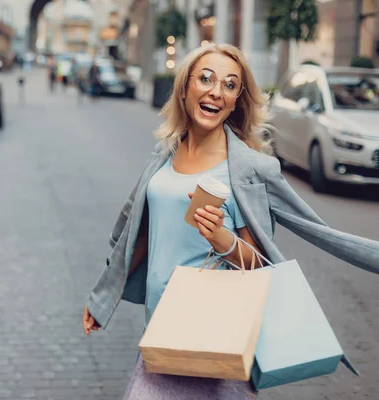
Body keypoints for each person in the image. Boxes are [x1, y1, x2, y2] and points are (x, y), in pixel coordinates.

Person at [82, 43, 379, 344]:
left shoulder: (247, 169)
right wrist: (103, 299)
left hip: (214, 338)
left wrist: (220, 238)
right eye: (206, 78)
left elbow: (259, 266)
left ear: (235, 102)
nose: (216, 92)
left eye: (230, 85)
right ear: (184, 89)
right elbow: (141, 234)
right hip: (158, 327)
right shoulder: (163, 154)